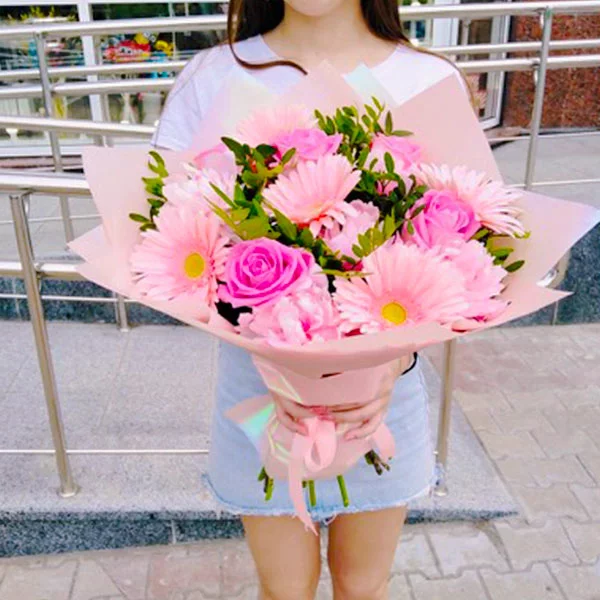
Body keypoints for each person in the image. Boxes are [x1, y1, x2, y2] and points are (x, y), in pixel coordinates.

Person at [152, 1, 472, 598]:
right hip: (258, 395)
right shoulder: (213, 77)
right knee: (283, 589)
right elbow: (167, 234)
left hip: (382, 402)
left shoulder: (429, 80)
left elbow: (467, 253)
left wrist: (391, 363)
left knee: (364, 586)